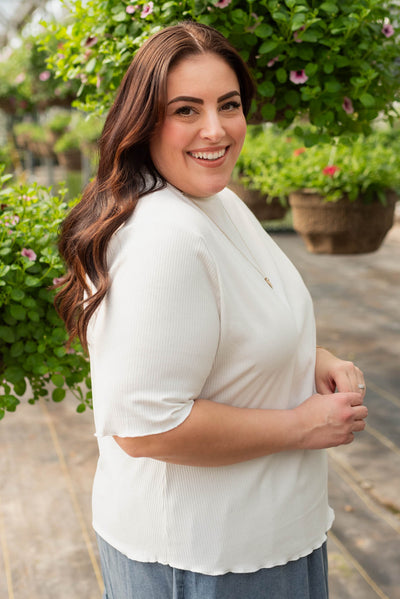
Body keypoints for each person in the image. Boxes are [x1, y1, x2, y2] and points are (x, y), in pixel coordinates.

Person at [55, 21, 368, 599]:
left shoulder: (217, 201)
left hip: (267, 536)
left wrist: (311, 358)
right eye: (186, 110)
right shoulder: (160, 237)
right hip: (205, 561)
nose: (216, 129)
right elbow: (149, 427)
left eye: (228, 105)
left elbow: (243, 313)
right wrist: (304, 425)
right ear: (145, 121)